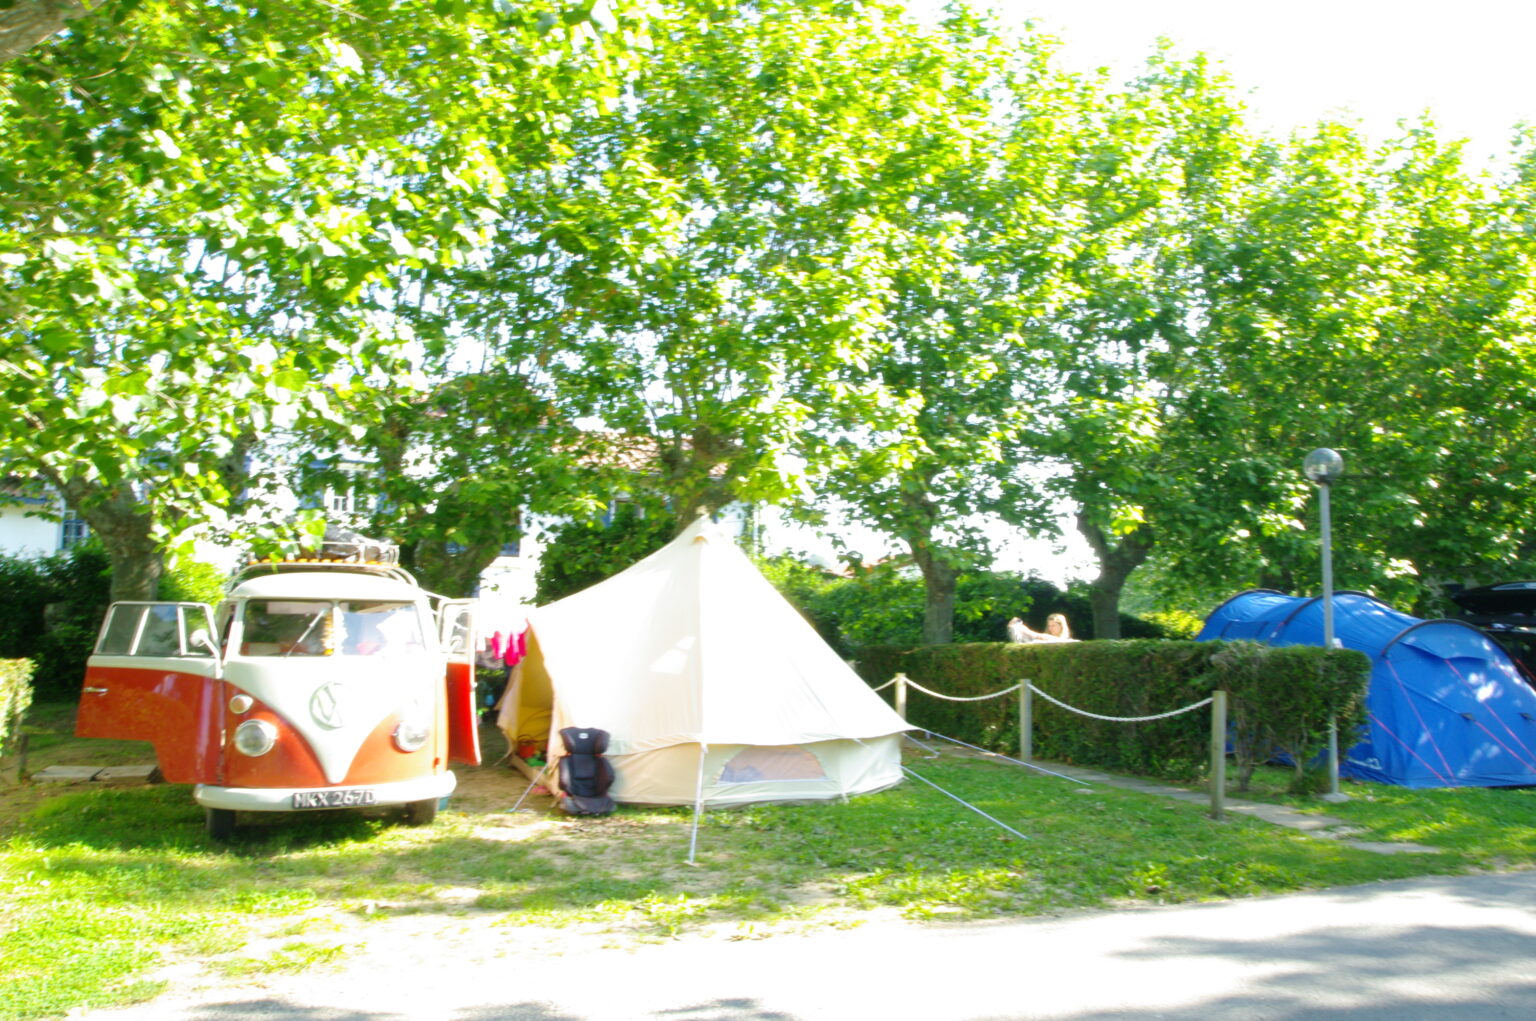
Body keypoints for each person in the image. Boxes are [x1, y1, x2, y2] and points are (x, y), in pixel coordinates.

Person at [1007, 613, 1077, 643]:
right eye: (1049, 626)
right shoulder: (1045, 639)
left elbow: (1036, 635)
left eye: (1053, 625)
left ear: (1061, 626)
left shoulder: (1063, 640)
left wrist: (1023, 629)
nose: (1051, 628)